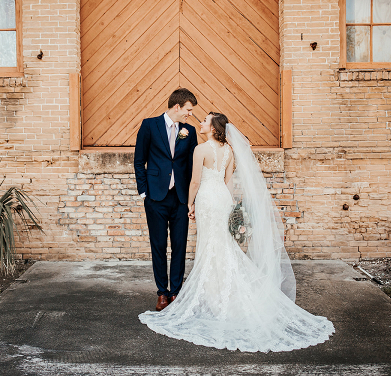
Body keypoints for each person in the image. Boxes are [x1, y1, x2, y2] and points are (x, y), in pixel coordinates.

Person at [139, 112, 334, 352]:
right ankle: (223, 293)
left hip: (207, 201)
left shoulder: (200, 150)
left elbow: (195, 182)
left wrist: (189, 204)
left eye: (205, 121)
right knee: (223, 247)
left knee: (210, 247)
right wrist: (230, 207)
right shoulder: (230, 151)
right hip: (222, 200)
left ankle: (215, 296)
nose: (200, 122)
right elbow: (228, 182)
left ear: (212, 127)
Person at [134, 88, 199, 312]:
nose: (190, 115)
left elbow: (191, 167)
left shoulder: (189, 131)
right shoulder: (149, 125)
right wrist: (144, 192)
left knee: (180, 246)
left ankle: (176, 293)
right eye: (188, 110)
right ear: (177, 107)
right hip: (156, 197)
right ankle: (162, 292)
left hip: (180, 198)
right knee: (158, 245)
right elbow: (139, 160)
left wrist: (192, 199)